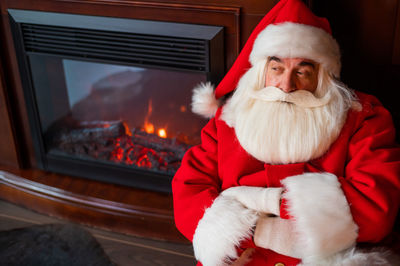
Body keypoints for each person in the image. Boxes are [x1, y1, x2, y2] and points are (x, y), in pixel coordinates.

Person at [172, 0, 400, 265]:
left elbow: (376, 210)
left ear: (323, 77)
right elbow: (189, 191)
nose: (286, 85)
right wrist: (260, 233)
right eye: (277, 68)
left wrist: (263, 202)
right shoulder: (230, 118)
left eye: (302, 71)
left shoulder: (365, 119)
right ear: (262, 71)